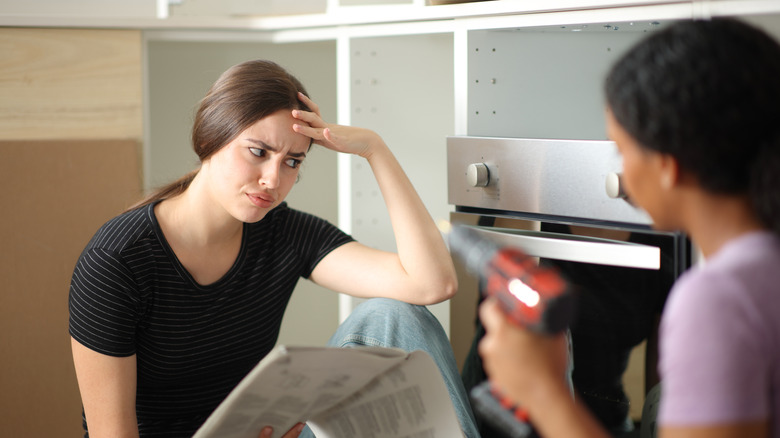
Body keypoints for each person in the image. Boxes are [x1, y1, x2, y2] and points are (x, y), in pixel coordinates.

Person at [68, 59, 478, 438]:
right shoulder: (117, 262)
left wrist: (374, 149)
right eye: (258, 152)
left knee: (394, 312)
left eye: (292, 162)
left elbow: (432, 284)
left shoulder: (282, 232)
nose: (272, 179)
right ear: (212, 136)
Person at [477, 17, 780, 438]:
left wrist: (542, 391)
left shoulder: (718, 298)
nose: (620, 172)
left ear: (666, 165)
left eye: (621, 150)